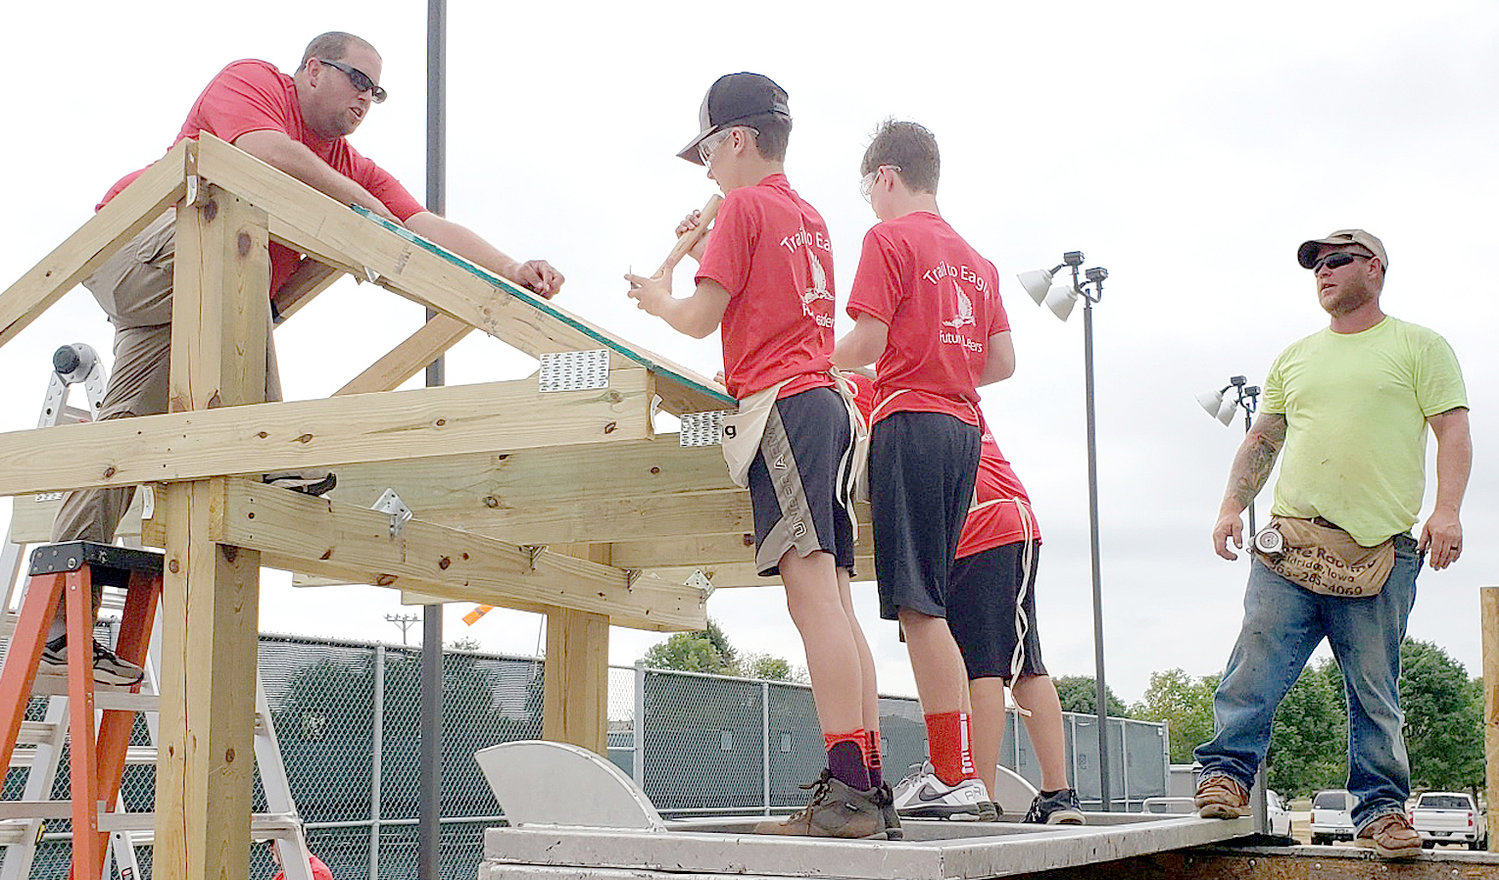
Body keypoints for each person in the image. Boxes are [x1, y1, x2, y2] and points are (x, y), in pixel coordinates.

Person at [45, 31, 564, 686]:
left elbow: (423, 225)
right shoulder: (254, 82)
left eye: (377, 92)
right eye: (357, 81)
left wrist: (511, 267)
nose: (366, 99)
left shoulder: (351, 166)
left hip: (190, 298)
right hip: (134, 250)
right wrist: (364, 209)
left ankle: (62, 617)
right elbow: (265, 153)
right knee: (244, 252)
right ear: (313, 70)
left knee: (120, 436)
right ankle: (271, 453)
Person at [625, 73, 888, 839]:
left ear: (736, 139)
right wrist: (709, 247)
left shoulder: (742, 205)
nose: (705, 169)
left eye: (707, 150)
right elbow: (762, 304)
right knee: (833, 599)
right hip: (827, 408)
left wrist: (657, 292)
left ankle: (847, 792)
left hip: (786, 409)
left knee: (811, 600)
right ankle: (863, 786)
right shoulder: (804, 214)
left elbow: (698, 319)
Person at [1194, 229, 1470, 860]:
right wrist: (1232, 505)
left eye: (1337, 260)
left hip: (1378, 552)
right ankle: (1226, 776)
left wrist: (1447, 511)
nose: (1323, 270)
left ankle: (1380, 810)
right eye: (1316, 264)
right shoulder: (1295, 357)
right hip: (1289, 544)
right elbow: (1263, 437)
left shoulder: (1420, 346)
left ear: (1374, 269)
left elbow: (1452, 431)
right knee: (1254, 666)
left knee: (1375, 687)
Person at [831, 120, 1013, 822]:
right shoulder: (976, 259)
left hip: (908, 421)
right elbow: (1000, 362)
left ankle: (953, 774)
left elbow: (867, 340)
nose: (870, 207)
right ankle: (958, 771)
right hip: (964, 429)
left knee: (918, 606)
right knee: (927, 599)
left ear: (884, 177)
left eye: (869, 191)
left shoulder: (888, 239)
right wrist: (946, 366)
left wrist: (813, 356)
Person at [846, 373, 1083, 824]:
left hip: (981, 529)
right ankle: (1054, 793)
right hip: (1006, 522)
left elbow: (836, 389)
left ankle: (980, 793)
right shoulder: (946, 388)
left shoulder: (883, 386)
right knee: (1024, 663)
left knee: (984, 668)